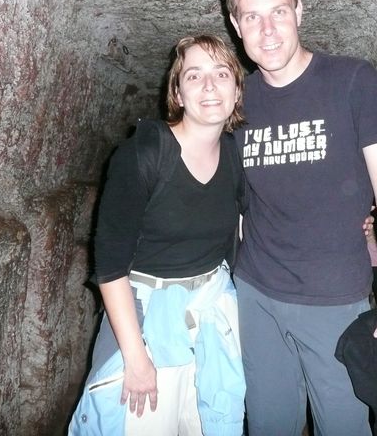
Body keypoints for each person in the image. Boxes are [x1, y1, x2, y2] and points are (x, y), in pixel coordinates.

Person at [222, 0, 377, 435]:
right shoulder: (235, 100)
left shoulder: (353, 81)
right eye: (252, 16)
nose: (267, 30)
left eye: (278, 12)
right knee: (269, 425)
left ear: (299, 11)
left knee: (344, 426)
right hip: (257, 295)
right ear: (235, 24)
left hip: (334, 299)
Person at [69, 35, 247, 436]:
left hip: (209, 313)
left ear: (237, 90)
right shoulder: (143, 154)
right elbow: (110, 266)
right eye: (194, 75)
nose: (209, 85)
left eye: (221, 74)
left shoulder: (233, 153)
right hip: (145, 321)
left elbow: (245, 224)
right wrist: (136, 359)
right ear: (178, 93)